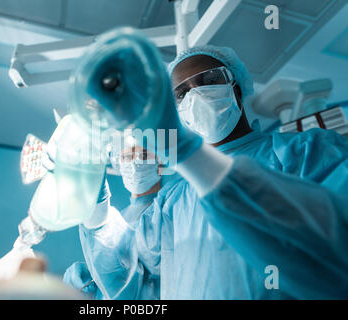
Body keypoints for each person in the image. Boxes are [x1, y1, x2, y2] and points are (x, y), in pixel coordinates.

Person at [75, 45, 348, 299]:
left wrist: (192, 158)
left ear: (236, 89)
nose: (195, 94)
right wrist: (96, 212)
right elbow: (130, 281)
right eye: (181, 94)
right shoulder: (172, 201)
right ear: (177, 111)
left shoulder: (308, 150)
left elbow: (335, 242)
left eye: (208, 80)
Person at [63, 145, 163, 299]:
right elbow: (115, 275)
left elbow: (136, 280)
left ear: (161, 160)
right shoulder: (122, 217)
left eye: (143, 155)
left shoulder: (169, 210)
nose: (135, 163)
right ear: (117, 163)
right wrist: (94, 283)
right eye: (127, 157)